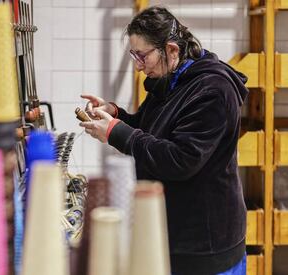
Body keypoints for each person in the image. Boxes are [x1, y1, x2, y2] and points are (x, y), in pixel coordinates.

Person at [79, 6, 248, 275]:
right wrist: (115, 114)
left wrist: (115, 132)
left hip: (206, 246)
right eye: (133, 55)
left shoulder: (213, 90)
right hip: (176, 233)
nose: (138, 66)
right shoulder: (170, 81)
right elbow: (148, 128)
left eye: (142, 55)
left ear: (171, 50)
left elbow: (181, 159)